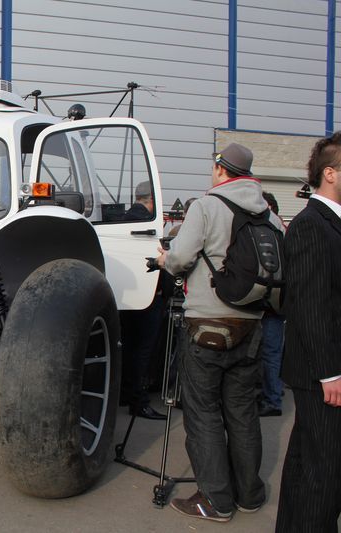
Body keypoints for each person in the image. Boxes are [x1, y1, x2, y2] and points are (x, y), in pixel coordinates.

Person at [157, 143, 284, 522]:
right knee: (243, 412)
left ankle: (214, 500)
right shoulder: (270, 216)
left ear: (219, 170)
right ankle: (249, 494)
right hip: (253, 325)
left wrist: (166, 260)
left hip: (207, 324)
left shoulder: (207, 206)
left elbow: (180, 258)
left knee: (203, 413)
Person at [275, 132, 341, 532]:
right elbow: (311, 305)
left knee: (309, 462)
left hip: (325, 369)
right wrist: (330, 372)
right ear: (330, 173)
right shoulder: (311, 225)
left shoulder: (328, 223)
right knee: (325, 471)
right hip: (323, 372)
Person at [120, 181, 166, 420]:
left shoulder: (121, 221)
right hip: (148, 299)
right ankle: (139, 401)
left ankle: (125, 394)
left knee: (127, 348)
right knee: (144, 352)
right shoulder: (149, 226)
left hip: (125, 300)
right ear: (151, 200)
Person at [257, 191, 285, 417]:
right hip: (277, 300)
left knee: (269, 352)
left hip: (268, 300)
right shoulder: (280, 227)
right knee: (271, 352)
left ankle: (272, 399)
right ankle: (272, 395)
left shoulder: (268, 224)